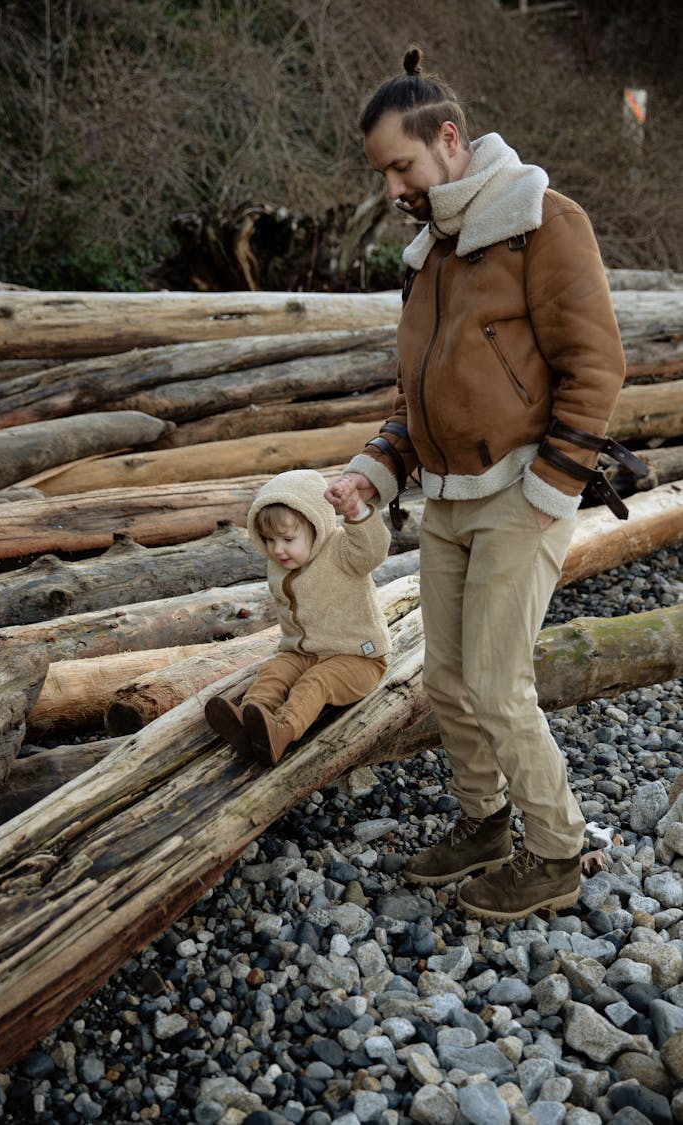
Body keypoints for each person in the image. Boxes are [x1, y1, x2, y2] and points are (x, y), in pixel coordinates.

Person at [326, 46, 631, 923]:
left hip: (522, 494)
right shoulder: (436, 253)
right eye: (383, 171)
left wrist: (551, 488)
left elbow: (595, 365)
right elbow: (416, 398)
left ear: (448, 139)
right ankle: (483, 821)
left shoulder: (544, 221)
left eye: (401, 166)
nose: (392, 189)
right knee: (450, 683)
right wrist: (372, 473)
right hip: (448, 500)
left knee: (498, 685)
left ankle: (557, 849)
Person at [205, 468, 391, 765]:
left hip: (358, 658)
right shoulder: (279, 563)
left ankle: (282, 731)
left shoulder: (343, 551)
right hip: (303, 652)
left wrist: (356, 513)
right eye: (268, 540)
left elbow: (373, 550)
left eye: (288, 539)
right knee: (275, 672)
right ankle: (251, 719)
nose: (277, 550)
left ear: (316, 526)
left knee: (316, 682)